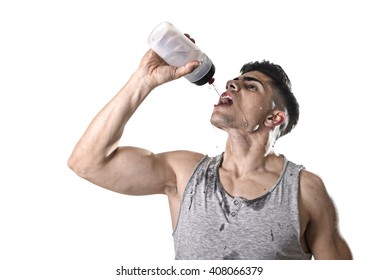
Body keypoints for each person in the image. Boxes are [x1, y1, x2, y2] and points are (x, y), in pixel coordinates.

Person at [68, 39, 352, 260]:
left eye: (250, 87)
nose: (232, 84)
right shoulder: (184, 173)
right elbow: (86, 162)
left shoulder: (305, 190)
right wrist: (143, 80)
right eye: (234, 81)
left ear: (273, 118)